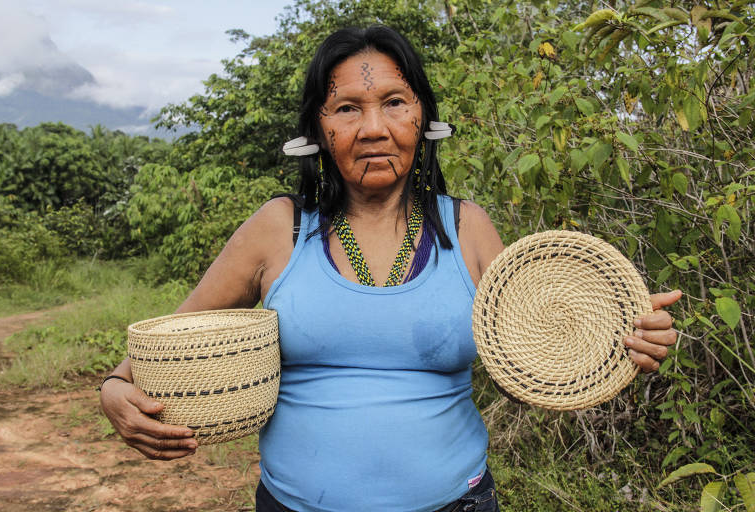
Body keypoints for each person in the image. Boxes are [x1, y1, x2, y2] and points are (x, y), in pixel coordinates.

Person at [100, 25, 681, 512]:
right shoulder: (279, 229)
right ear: (318, 131)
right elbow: (160, 350)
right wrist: (115, 390)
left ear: (422, 118)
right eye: (348, 108)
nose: (373, 127)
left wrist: (624, 346)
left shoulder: (468, 229)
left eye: (394, 103)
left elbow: (535, 366)